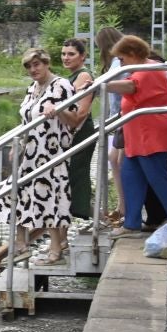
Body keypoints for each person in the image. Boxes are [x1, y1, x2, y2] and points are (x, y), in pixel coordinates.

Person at [107, 35, 167, 232]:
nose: (121, 63)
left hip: (152, 136)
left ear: (133, 54)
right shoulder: (142, 68)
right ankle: (131, 223)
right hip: (138, 137)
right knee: (131, 177)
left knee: (160, 180)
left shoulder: (149, 69)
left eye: (122, 58)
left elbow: (131, 86)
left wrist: (102, 85)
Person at [8, 47, 74, 266]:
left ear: (46, 63)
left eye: (36, 64)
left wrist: (58, 109)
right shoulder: (32, 88)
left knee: (49, 197)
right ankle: (21, 244)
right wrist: (17, 143)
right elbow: (26, 120)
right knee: (12, 192)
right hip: (30, 151)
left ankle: (56, 250)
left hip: (51, 151)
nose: (32, 69)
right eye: (28, 66)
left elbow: (74, 120)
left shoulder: (61, 85)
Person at [59, 37, 100, 220]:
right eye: (63, 54)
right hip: (72, 131)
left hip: (81, 131)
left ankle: (80, 212)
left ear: (82, 56)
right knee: (71, 174)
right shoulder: (71, 76)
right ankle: (81, 212)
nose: (66, 58)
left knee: (77, 174)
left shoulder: (83, 76)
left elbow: (81, 112)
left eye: (71, 54)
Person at [95, 26, 129, 225]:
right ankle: (122, 206)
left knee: (117, 161)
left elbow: (109, 81)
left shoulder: (118, 62)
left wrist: (93, 83)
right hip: (119, 119)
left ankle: (124, 207)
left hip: (123, 118)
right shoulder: (119, 61)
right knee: (115, 160)